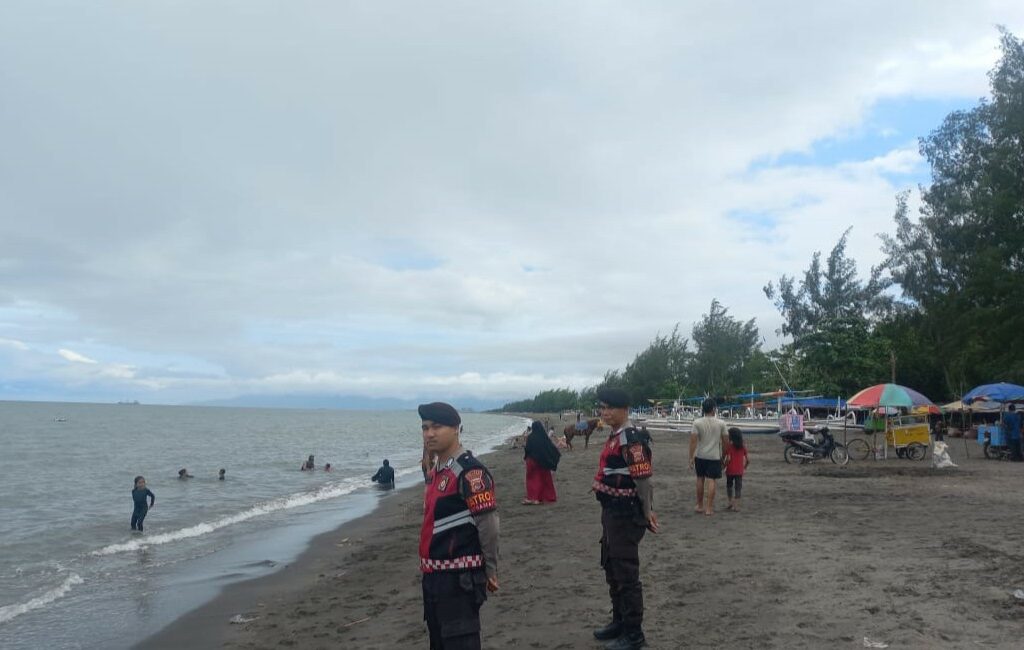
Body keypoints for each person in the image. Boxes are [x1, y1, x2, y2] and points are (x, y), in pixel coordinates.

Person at [418, 402, 499, 650]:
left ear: (456, 429)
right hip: (434, 579)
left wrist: (491, 569)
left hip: (458, 581)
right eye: (425, 428)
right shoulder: (437, 472)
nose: (430, 433)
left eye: (437, 427)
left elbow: (489, 525)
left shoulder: (470, 472)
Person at [591, 387, 657, 650]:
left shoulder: (631, 438)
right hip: (610, 512)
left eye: (610, 408)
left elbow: (643, 481)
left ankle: (634, 634)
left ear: (624, 409)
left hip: (626, 514)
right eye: (602, 407)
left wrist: (647, 512)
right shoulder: (615, 436)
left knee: (627, 573)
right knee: (612, 567)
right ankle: (619, 621)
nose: (605, 412)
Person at [690, 397, 729, 516]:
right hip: (714, 456)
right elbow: (725, 442)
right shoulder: (721, 423)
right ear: (713, 409)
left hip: (701, 455)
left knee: (700, 479)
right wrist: (724, 455)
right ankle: (709, 508)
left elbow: (693, 442)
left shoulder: (697, 422)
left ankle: (700, 505)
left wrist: (691, 457)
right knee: (711, 480)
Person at [523, 420, 560, 505]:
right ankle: (548, 497)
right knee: (545, 479)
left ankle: (534, 498)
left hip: (532, 461)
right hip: (543, 461)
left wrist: (526, 457)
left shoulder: (531, 437)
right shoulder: (544, 437)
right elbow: (551, 448)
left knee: (532, 479)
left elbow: (528, 449)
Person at [723, 427, 750, 512]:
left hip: (730, 471)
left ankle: (730, 502)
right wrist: (744, 467)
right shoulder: (743, 447)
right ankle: (736, 506)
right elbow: (748, 460)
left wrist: (724, 466)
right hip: (739, 471)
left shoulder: (729, 447)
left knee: (729, 486)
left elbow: (728, 459)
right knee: (738, 488)